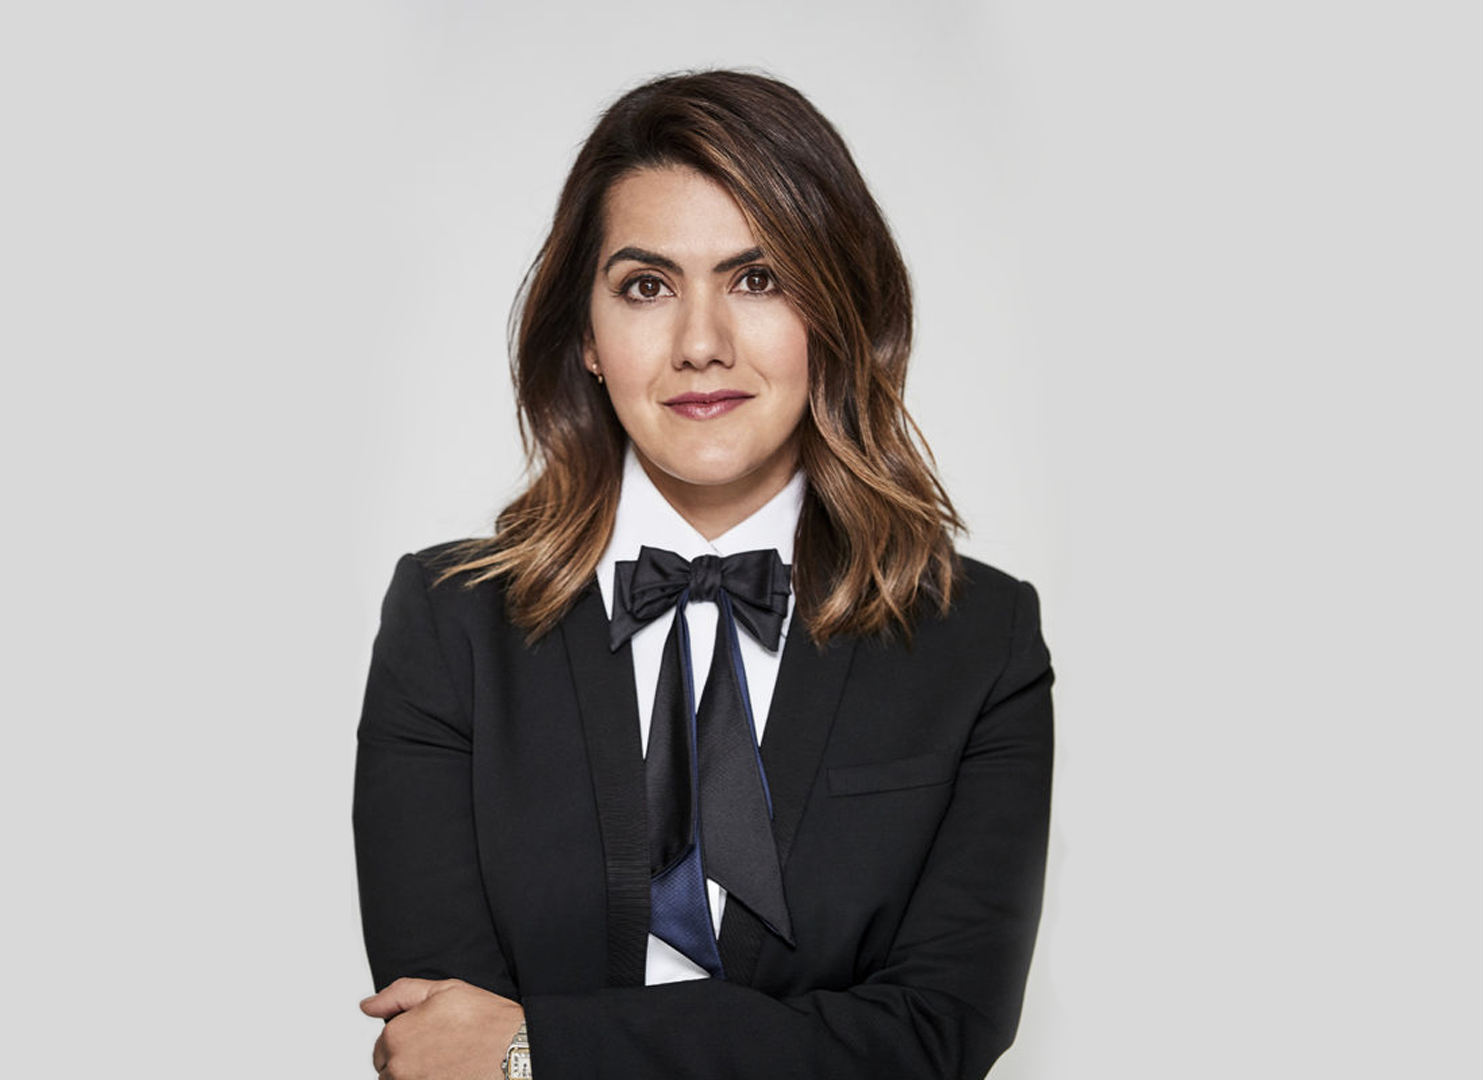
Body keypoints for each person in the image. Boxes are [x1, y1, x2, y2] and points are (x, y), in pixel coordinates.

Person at [353, 70, 1054, 1080]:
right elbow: (436, 1044)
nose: (700, 345)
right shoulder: (447, 624)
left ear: (837, 314)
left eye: (757, 279)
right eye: (647, 286)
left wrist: (540, 1048)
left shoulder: (979, 638)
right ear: (587, 337)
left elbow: (933, 1038)